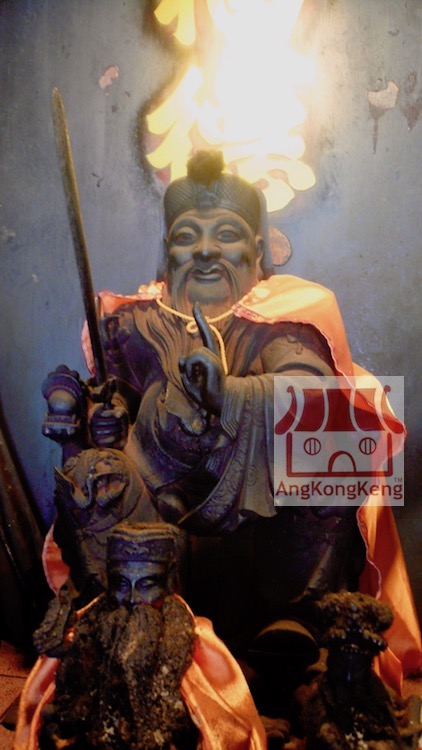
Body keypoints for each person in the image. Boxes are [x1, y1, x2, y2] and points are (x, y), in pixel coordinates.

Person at [41, 151, 420, 702]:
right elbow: (111, 393)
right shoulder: (133, 322)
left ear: (257, 251)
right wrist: (95, 417)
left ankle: (293, 624)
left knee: (333, 445)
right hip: (158, 505)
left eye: (225, 234)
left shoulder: (282, 319)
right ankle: (137, 619)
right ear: (167, 250)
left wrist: (231, 394)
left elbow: (312, 390)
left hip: (260, 528)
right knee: (91, 473)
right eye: (186, 236)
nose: (205, 250)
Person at [15, 522, 266, 749]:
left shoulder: (194, 640)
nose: (133, 599)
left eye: (147, 585)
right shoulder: (90, 627)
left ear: (169, 581)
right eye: (122, 584)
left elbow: (221, 720)